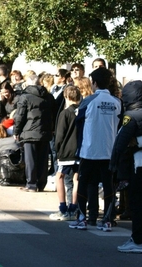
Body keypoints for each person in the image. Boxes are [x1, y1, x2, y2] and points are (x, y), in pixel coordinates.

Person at [69, 67, 122, 231]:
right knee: (108, 186)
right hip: (109, 150)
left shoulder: (89, 101)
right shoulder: (117, 102)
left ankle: (82, 218)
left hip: (90, 150)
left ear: (95, 82)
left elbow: (78, 122)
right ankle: (107, 220)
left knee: (83, 184)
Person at [110, 80, 142, 253]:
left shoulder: (132, 116)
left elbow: (120, 144)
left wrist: (113, 165)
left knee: (137, 204)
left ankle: (138, 240)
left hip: (138, 165)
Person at [13, 74, 56, 192]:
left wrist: (16, 131)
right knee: (43, 160)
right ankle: (41, 184)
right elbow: (54, 114)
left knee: (30, 159)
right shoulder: (49, 96)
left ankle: (31, 184)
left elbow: (20, 116)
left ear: (27, 83)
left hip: (29, 132)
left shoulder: (25, 97)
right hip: (45, 131)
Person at [49, 85, 81, 220]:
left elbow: (60, 135)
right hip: (80, 150)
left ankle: (63, 208)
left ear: (66, 97)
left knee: (59, 176)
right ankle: (74, 208)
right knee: (76, 179)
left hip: (66, 151)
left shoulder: (65, 113)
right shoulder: (83, 111)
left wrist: (57, 150)